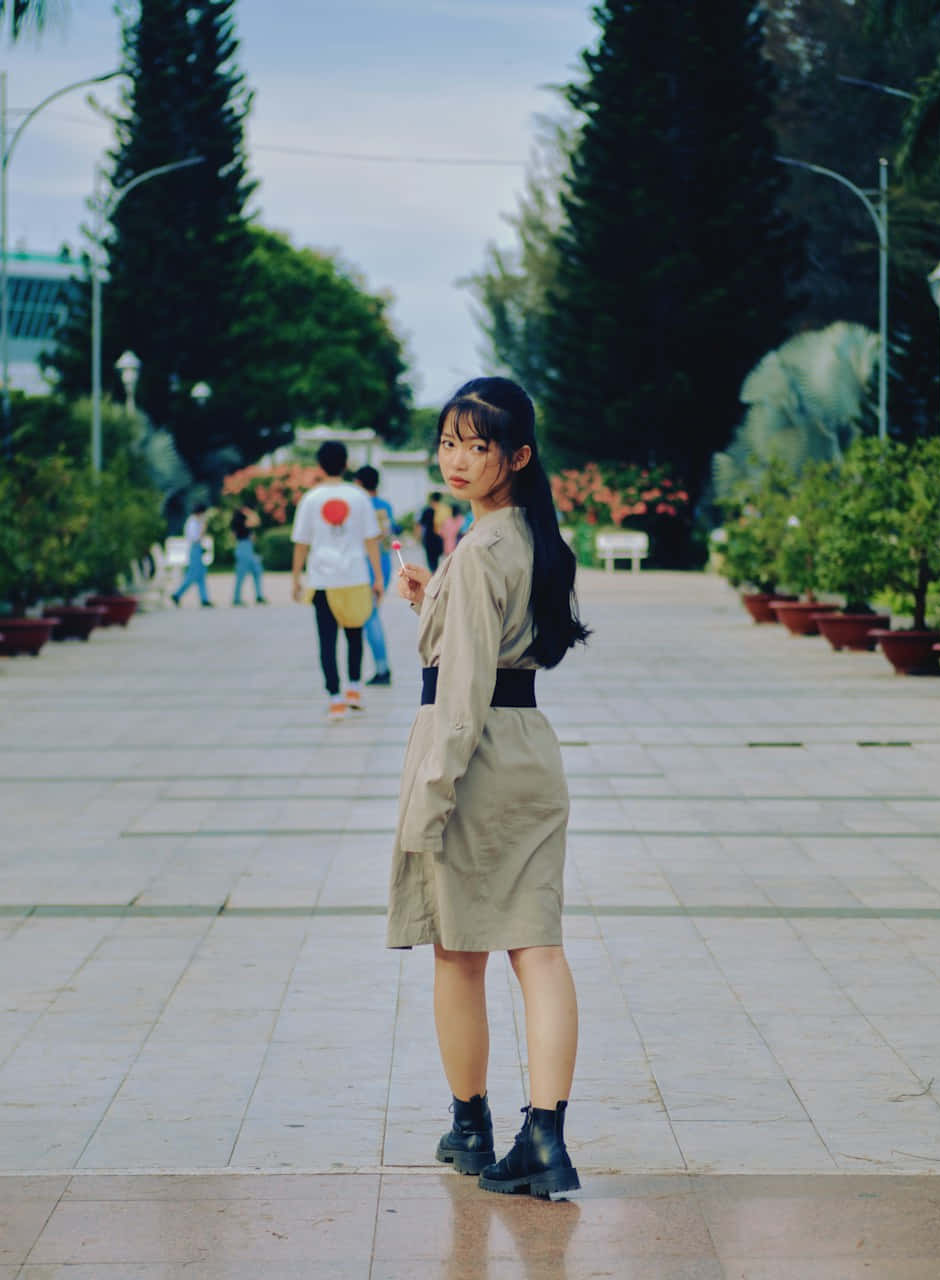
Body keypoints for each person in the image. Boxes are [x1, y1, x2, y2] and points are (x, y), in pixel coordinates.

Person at [389, 376, 592, 1201]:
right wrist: (431, 602)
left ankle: (470, 1124)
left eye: (478, 445)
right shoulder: (533, 537)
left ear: (517, 455)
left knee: (459, 951)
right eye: (449, 442)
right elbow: (498, 650)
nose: (459, 459)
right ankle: (545, 1133)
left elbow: (463, 694)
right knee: (537, 949)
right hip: (530, 753)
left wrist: (431, 799)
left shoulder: (475, 552)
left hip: (473, 762)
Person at [290, 441, 383, 721]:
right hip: (355, 577)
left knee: (327, 640)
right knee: (355, 635)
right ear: (345, 464)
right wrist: (377, 578)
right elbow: (371, 540)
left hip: (322, 580)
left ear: (319, 466)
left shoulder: (311, 498)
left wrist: (296, 578)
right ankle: (354, 688)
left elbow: (301, 543)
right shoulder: (359, 497)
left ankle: (335, 699)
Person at [356, 465, 397, 686]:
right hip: (383, 564)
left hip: (365, 567)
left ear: (359, 482)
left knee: (370, 618)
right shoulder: (385, 507)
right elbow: (389, 539)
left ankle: (382, 668)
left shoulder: (359, 506)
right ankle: (380, 667)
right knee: (371, 616)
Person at [171, 501, 214, 608]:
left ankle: (204, 599)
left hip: (198, 549)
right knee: (192, 575)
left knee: (201, 576)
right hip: (194, 549)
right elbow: (195, 538)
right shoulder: (192, 522)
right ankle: (177, 594)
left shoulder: (195, 521)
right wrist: (203, 529)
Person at [231, 505, 267, 606]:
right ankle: (236, 598)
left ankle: (259, 595)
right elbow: (257, 521)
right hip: (244, 548)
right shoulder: (240, 521)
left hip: (247, 548)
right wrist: (250, 513)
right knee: (241, 575)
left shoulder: (238, 522)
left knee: (257, 571)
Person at [418, 491, 447, 571]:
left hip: (429, 538)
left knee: (431, 561)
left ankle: (434, 575)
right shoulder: (443, 510)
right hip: (439, 538)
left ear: (431, 500)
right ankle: (437, 574)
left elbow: (420, 524)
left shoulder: (427, 510)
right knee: (437, 559)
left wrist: (419, 537)